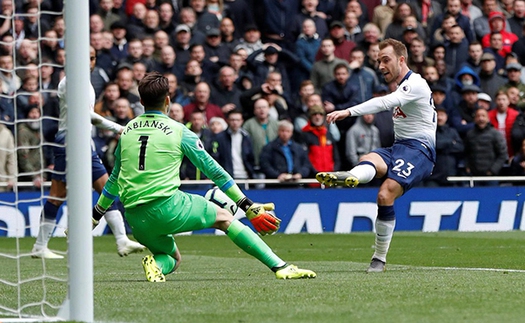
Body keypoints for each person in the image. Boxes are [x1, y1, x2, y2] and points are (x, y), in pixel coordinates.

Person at [91, 72, 316, 282]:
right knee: (224, 217)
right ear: (168, 101)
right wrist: (246, 205)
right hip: (168, 207)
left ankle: (156, 266)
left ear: (141, 101)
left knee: (172, 258)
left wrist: (95, 215)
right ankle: (280, 266)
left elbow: (113, 181)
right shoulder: (179, 131)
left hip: (136, 218)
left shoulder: (127, 131)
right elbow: (215, 171)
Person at [316, 39, 437, 273]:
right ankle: (351, 176)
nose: (381, 65)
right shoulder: (403, 86)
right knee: (369, 159)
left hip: (420, 150)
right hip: (399, 147)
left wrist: (348, 112)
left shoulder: (415, 84)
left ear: (402, 60)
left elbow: (385, 102)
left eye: (386, 60)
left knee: (385, 194)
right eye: (378, 60)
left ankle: (379, 258)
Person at [31, 47, 145, 259]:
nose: (89, 61)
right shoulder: (69, 83)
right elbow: (86, 114)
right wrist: (118, 127)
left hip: (84, 142)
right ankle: (40, 245)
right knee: (57, 195)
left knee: (106, 189)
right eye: (85, 57)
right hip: (69, 141)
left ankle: (121, 240)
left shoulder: (86, 83)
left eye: (92, 57)